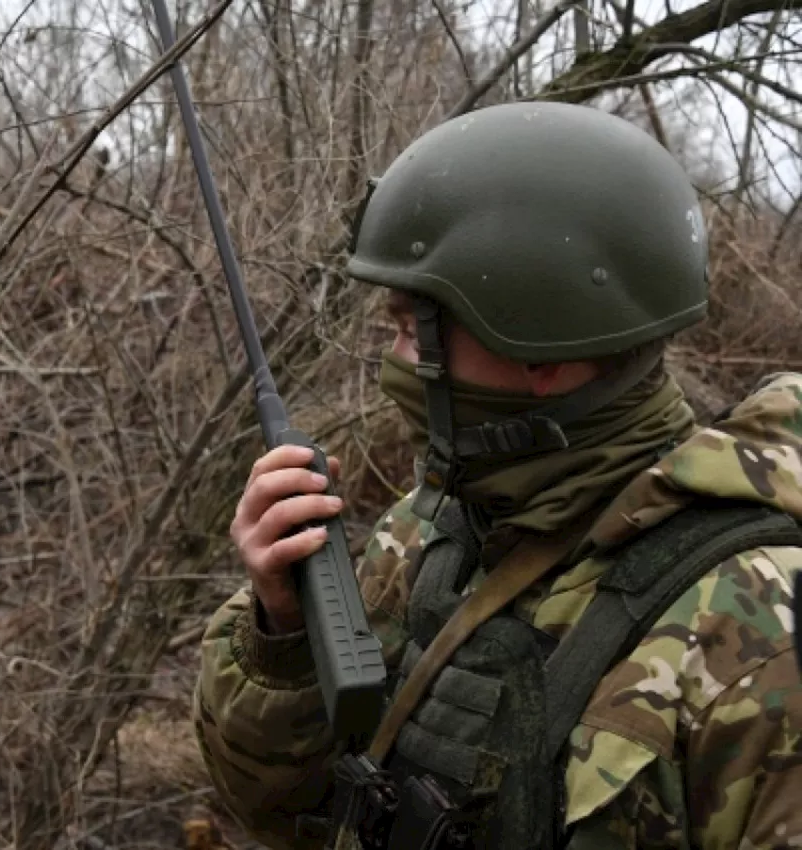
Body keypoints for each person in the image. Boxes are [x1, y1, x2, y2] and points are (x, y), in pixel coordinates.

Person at [193, 102, 802, 850]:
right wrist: (283, 629)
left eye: (404, 332)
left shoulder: (758, 636)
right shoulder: (433, 532)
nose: (390, 365)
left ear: (538, 349)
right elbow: (284, 814)